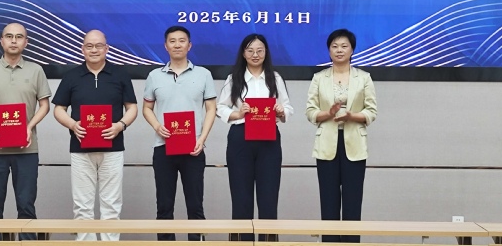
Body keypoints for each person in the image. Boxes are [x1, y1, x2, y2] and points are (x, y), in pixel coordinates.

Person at [52, 29, 138, 241]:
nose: (94, 50)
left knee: (111, 205)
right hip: (80, 150)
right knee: (82, 206)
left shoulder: (120, 75)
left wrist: (120, 125)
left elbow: (132, 108)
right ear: (82, 49)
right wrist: (73, 125)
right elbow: (59, 109)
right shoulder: (71, 76)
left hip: (113, 149)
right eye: (89, 46)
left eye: (99, 46)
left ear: (106, 48)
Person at [0, 23, 51, 241]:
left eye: (19, 37)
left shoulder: (36, 70)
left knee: (26, 206)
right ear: (1, 41)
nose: (13, 40)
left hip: (27, 149)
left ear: (26, 42)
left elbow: (44, 105)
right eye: (9, 36)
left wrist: (29, 127)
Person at [142, 25, 217, 241]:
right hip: (163, 148)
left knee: (195, 206)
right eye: (172, 41)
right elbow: (146, 108)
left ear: (189, 45)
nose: (177, 45)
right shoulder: (154, 76)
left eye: (182, 41)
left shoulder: (203, 74)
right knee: (164, 207)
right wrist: (157, 126)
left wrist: (202, 138)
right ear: (166, 46)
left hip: (193, 148)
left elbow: (211, 109)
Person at [216, 33, 293, 241]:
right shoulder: (234, 78)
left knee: (269, 199)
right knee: (241, 199)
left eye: (259, 50)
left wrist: (281, 111)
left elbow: (288, 107)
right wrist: (238, 114)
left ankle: (268, 243)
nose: (255, 54)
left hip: (269, 139)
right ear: (243, 53)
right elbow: (220, 108)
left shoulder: (275, 78)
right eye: (250, 50)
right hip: (240, 139)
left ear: (266, 52)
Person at [305, 29, 377, 243]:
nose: (339, 50)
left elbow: (371, 111)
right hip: (327, 145)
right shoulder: (319, 78)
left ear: (352, 50)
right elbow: (310, 111)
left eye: (344, 46)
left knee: (353, 203)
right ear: (329, 50)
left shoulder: (364, 78)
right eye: (334, 46)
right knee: (328, 202)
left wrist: (351, 116)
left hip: (354, 145)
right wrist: (328, 113)